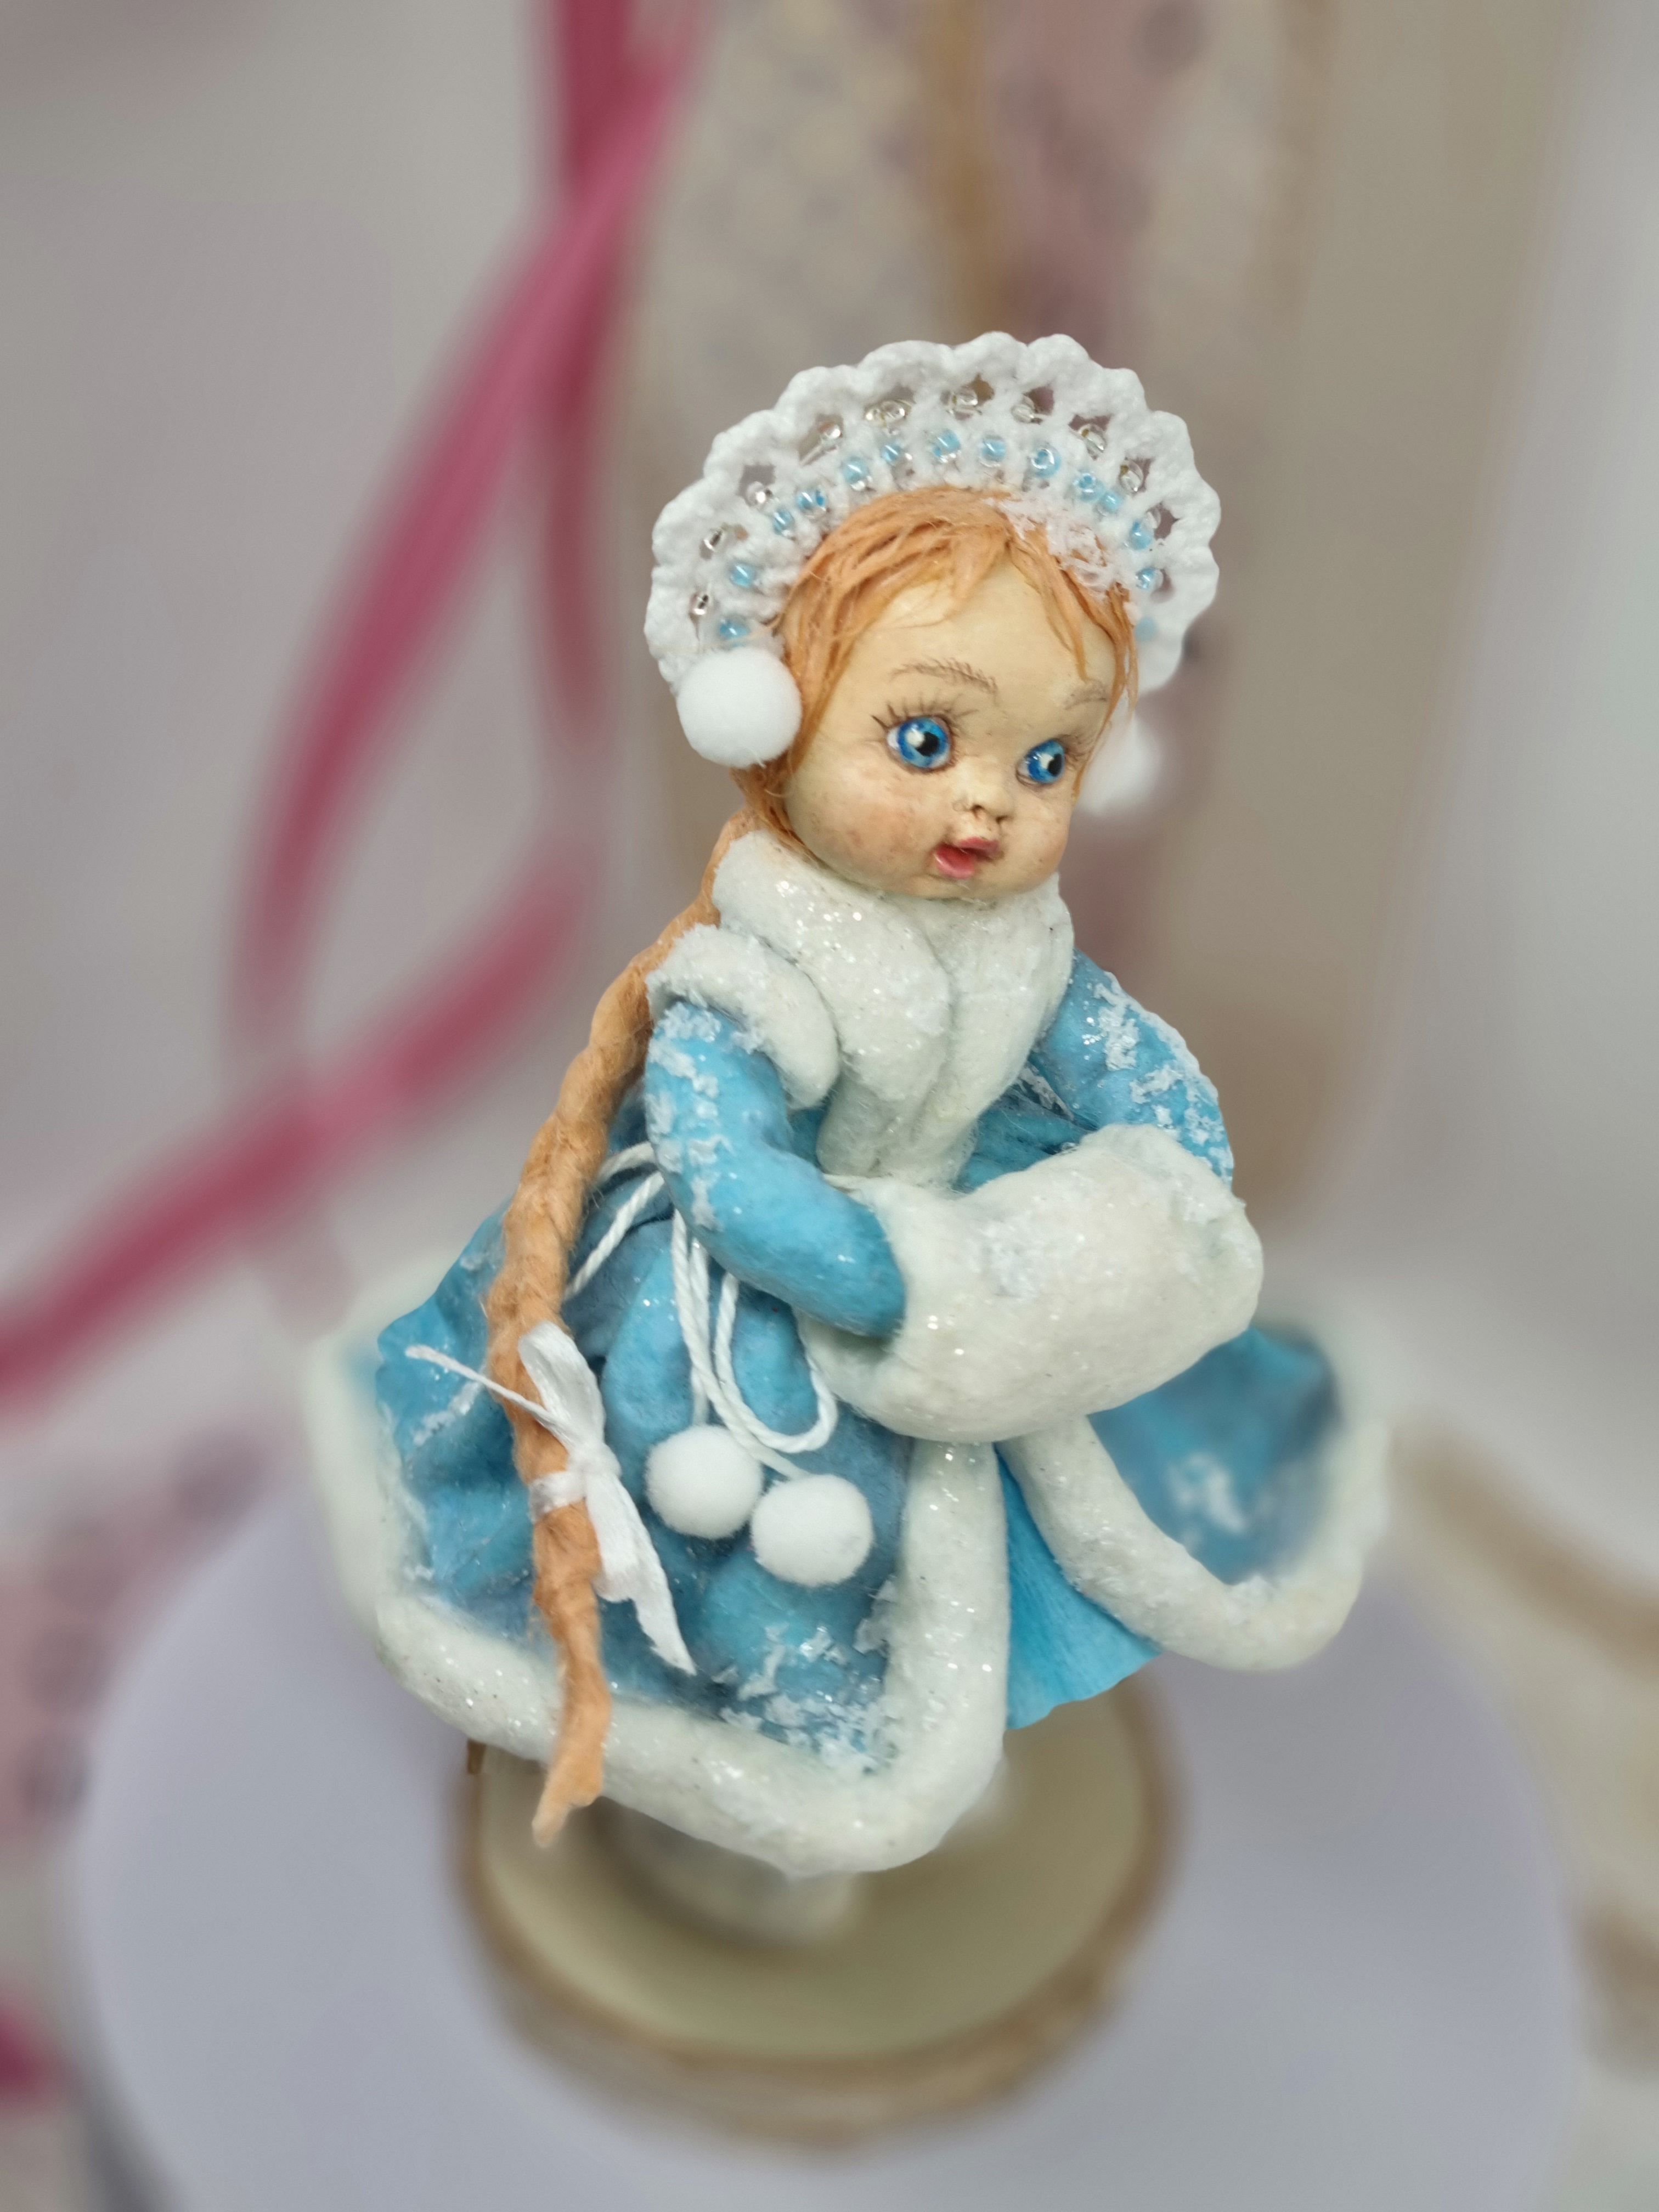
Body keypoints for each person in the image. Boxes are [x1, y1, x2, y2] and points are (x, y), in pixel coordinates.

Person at [370, 335, 1382, 1876]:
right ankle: (752, 1778)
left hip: (978, 1238)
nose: (989, 799)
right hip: (768, 1302)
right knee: (765, 1547)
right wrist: (892, 1280)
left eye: (1047, 759)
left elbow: (1136, 1072)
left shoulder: (1024, 949)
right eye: (926, 739)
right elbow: (725, 1171)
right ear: (778, 723)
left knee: (1071, 1491)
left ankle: (953, 1743)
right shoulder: (751, 970)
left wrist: (1163, 1197)